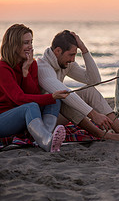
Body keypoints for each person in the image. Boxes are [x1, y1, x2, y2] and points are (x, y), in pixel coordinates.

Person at [37, 30, 119, 141]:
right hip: (44, 120)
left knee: (89, 91)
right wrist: (93, 115)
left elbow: (94, 80)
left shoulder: (64, 63)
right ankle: (104, 135)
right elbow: (64, 93)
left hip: (58, 115)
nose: (73, 59)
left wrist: (84, 50)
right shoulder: (43, 68)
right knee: (64, 99)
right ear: (58, 51)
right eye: (71, 55)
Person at [0, 24, 69, 152]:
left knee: (54, 101)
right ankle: (46, 141)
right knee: (32, 105)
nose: (30, 46)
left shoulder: (31, 64)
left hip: (22, 116)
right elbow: (19, 99)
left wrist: (25, 71)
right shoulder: (2, 68)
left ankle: (47, 138)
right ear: (14, 45)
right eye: (26, 42)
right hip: (3, 119)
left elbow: (34, 94)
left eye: (31, 42)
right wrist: (51, 96)